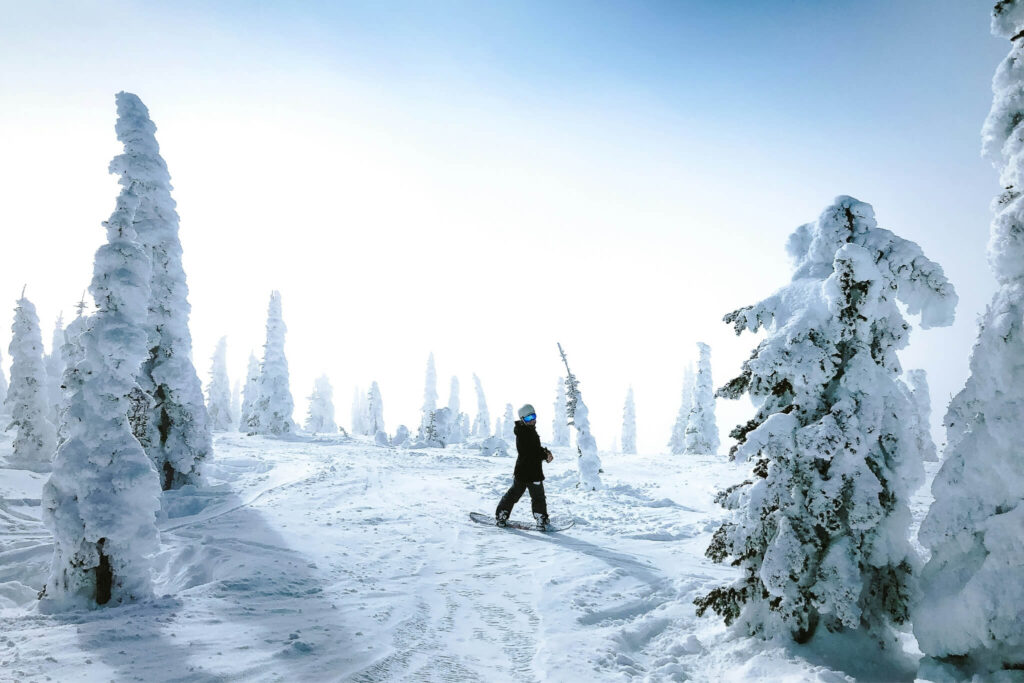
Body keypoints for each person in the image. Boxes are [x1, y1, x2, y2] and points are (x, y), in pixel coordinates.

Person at [495, 403, 554, 529]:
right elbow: (530, 452)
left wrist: (545, 452)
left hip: (522, 472)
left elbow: (534, 449)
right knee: (537, 497)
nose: (532, 420)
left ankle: (502, 514)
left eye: (533, 416)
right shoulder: (524, 433)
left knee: (515, 494)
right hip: (531, 473)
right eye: (528, 418)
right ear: (522, 419)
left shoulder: (527, 430)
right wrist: (544, 455)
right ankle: (540, 519)